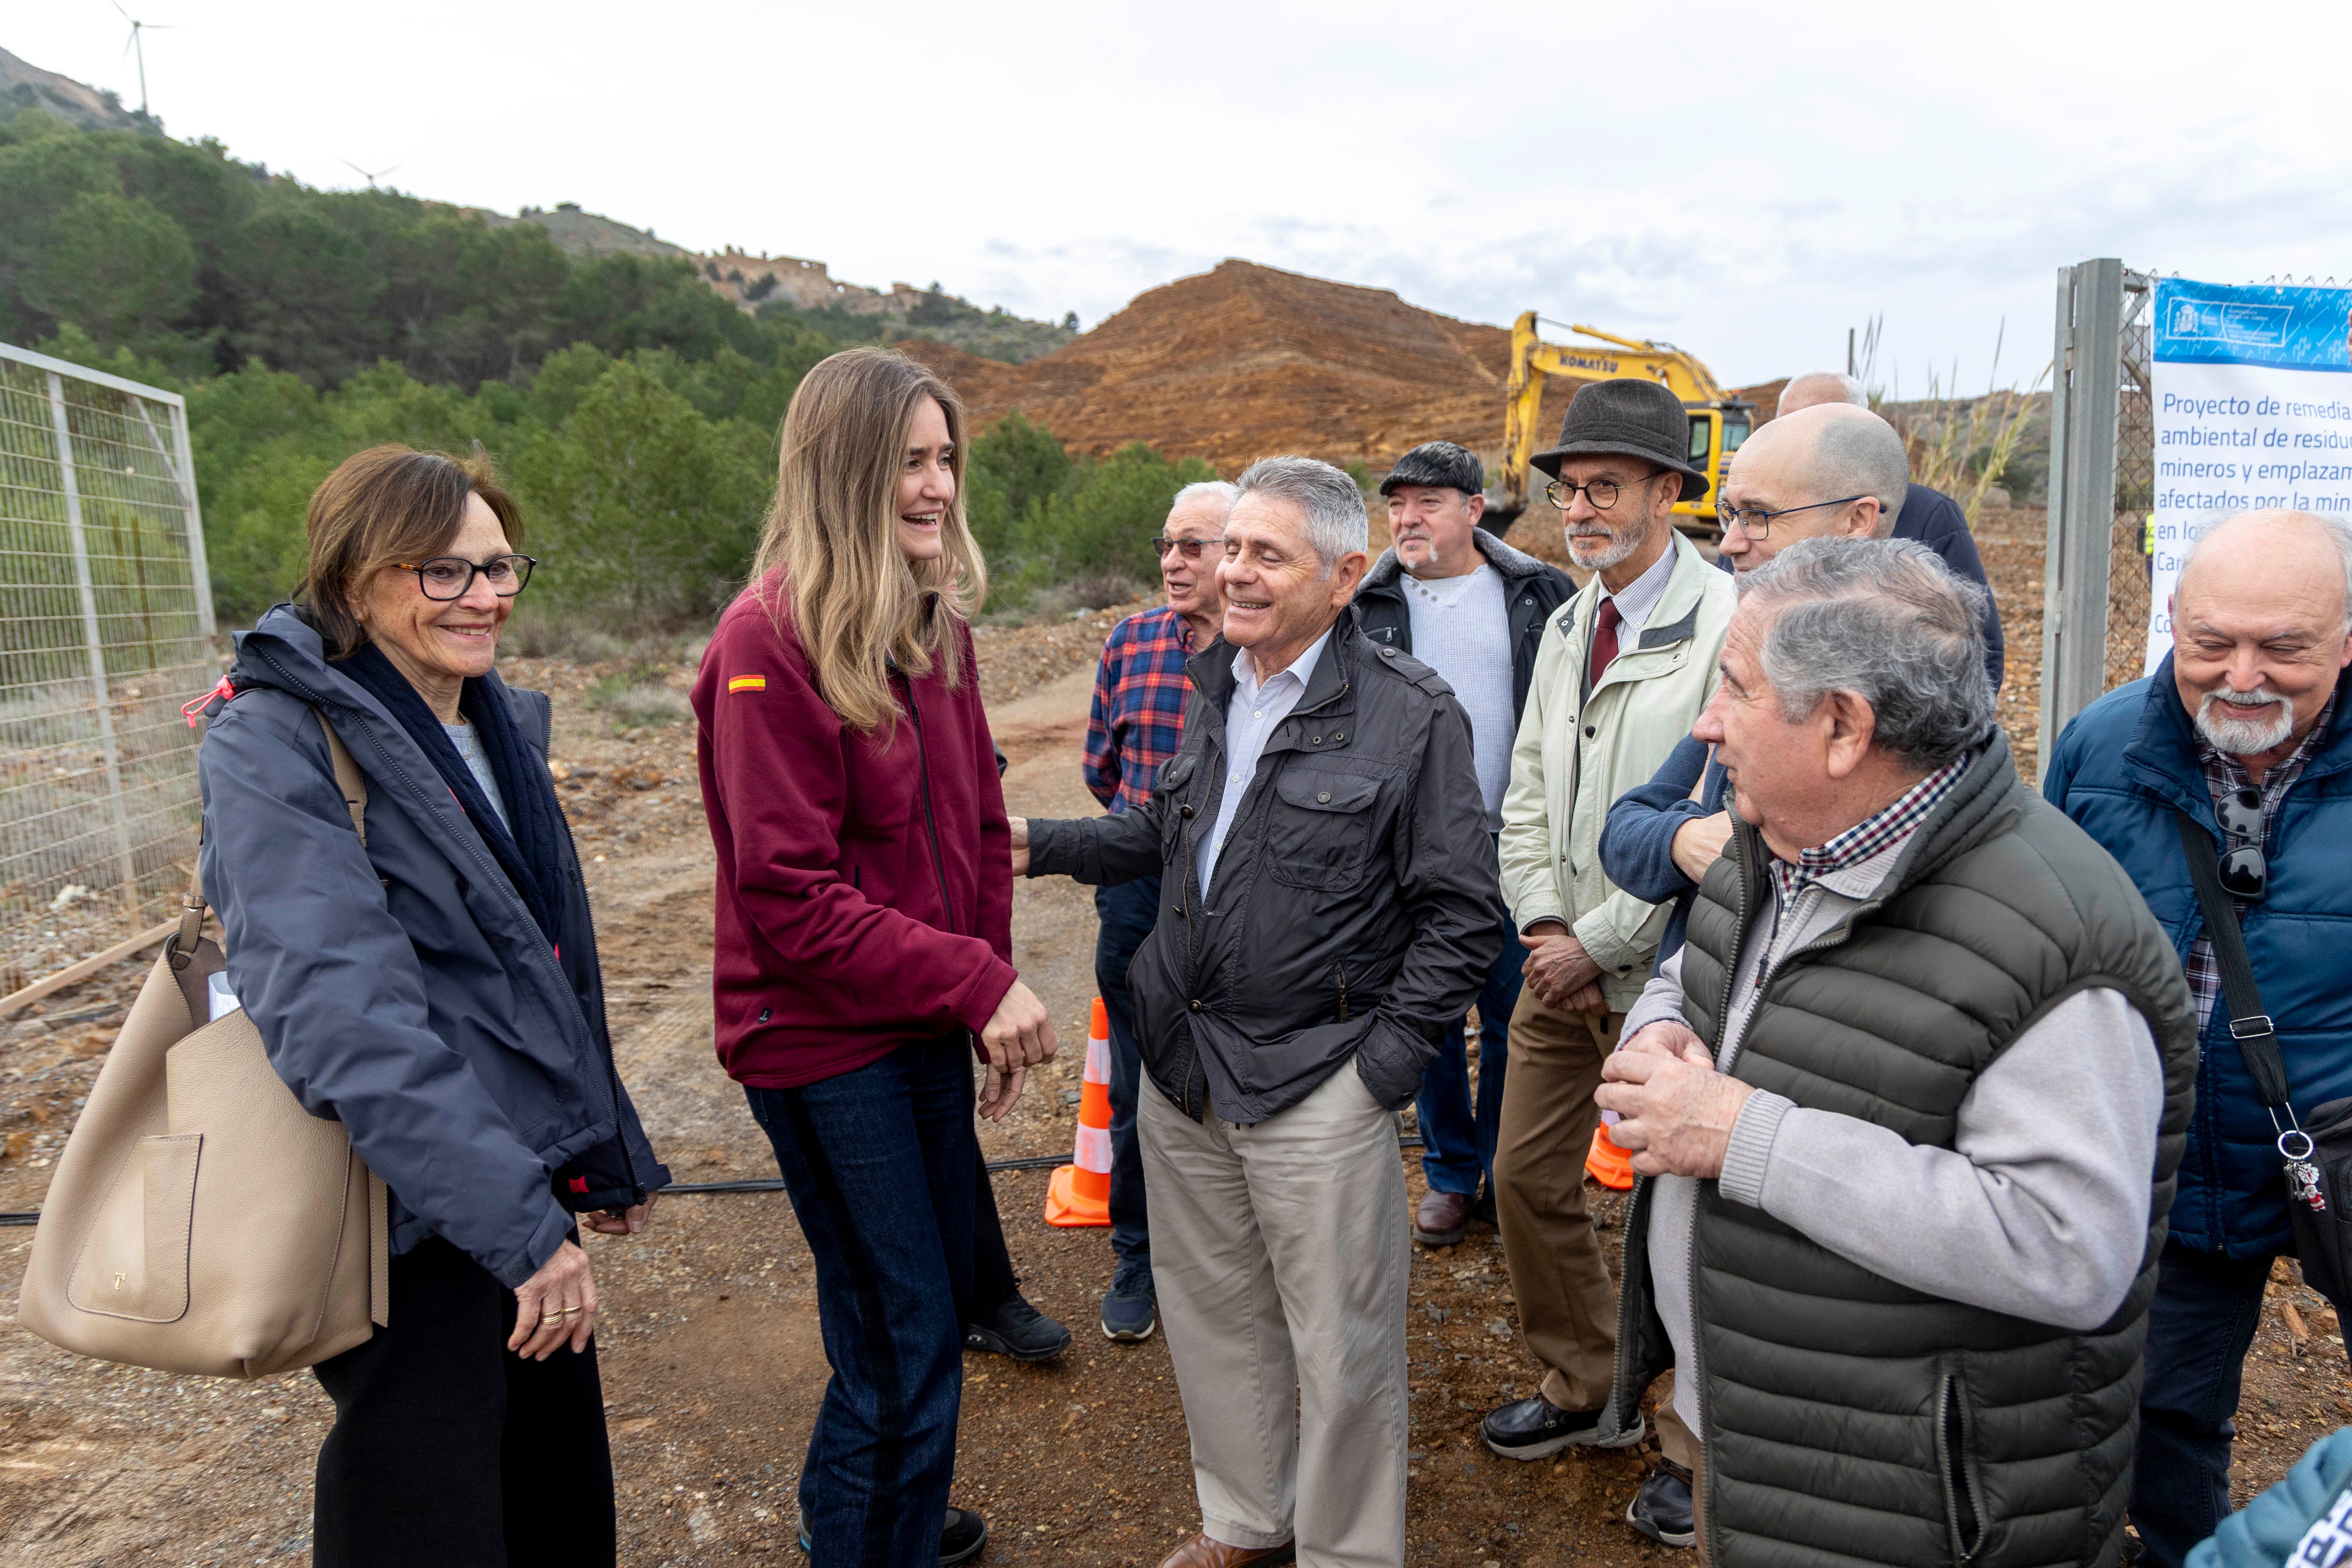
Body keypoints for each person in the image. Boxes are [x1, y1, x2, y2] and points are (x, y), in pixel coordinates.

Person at [1595, 538, 2197, 1561]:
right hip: (1763, 1439)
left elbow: (2066, 1248)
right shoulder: (1778, 835)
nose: (1705, 725)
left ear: (1839, 728)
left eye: (1732, 690)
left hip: (1915, 1505)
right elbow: (1706, 974)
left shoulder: (2051, 946)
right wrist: (1662, 1023)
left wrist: (1742, 1135)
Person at [1015, 455, 1503, 1568]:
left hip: (1314, 1084)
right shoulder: (1218, 683)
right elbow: (1162, 829)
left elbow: (1464, 918)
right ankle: (1247, 1520)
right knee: (1217, 1317)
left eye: (1262, 555)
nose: (1231, 573)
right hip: (1185, 1072)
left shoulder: (1412, 716)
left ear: (1343, 575)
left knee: (1343, 1352)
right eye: (1229, 547)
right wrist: (1038, 845)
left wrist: (1375, 1073)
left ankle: (1342, 1552)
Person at [196, 445, 670, 1567]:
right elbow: (344, 1020)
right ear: (358, 575)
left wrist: (600, 1150)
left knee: (550, 1502)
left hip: (513, 1183)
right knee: (428, 1506)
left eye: (500, 568)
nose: (486, 599)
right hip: (403, 1210)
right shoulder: (274, 739)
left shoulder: (484, 718)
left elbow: (543, 964)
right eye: (444, 573)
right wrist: (517, 1227)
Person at [693, 348, 1057, 1567]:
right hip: (819, 1045)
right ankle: (872, 1528)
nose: (939, 485)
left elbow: (976, 838)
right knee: (901, 1337)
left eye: (948, 457)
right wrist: (975, 983)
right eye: (910, 459)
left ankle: (875, 1514)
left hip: (909, 1024)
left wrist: (983, 984)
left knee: (913, 1321)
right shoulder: (766, 643)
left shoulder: (927, 627)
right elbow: (788, 898)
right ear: (842, 468)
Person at [2043, 509, 2352, 1568]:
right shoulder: (2098, 748)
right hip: (2170, 1161)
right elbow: (2050, 933)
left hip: (2343, 1156)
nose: (2242, 676)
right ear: (2172, 621)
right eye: (2211, 642)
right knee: (2159, 1417)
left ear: (2347, 639)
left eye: (2284, 648)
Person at [1479, 381, 1736, 1499]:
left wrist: (1598, 938)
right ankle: (1589, 1381)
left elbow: (1718, 820)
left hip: (1672, 978)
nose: (1580, 509)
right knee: (1524, 1177)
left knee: (1683, 1213)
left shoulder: (1729, 627)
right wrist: (1542, 924)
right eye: (1572, 490)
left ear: (1668, 494)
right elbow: (1529, 781)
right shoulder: (1574, 620)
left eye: (1606, 487)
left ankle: (1689, 1438)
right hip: (1560, 964)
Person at [1601, 401, 1928, 967]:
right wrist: (1685, 842)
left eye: (1757, 516)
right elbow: (1624, 833)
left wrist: (1722, 840)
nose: (1728, 542)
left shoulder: (1921, 709)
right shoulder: (1755, 665)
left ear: (1857, 520)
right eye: (1730, 514)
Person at [1353, 440, 1572, 1246]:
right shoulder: (1367, 602)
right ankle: (1449, 1172)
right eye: (1397, 505)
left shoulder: (1537, 593)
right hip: (1409, 854)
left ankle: (1503, 1166)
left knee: (1521, 1015)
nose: (1407, 520)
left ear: (1474, 510)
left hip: (1516, 843)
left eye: (1428, 503)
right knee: (1430, 1019)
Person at [1080, 478, 1238, 1342]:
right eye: (1167, 547)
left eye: (1195, 546)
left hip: (1240, 898)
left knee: (1232, 1080)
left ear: (1241, 552)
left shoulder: (1273, 650)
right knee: (1140, 1087)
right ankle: (1139, 1254)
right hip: (1140, 890)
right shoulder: (1132, 641)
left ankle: (1225, 1258)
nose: (1176, 563)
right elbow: (1102, 771)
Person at [1773, 370, 2005, 687]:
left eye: (1821, 427)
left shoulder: (1928, 515)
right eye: (1787, 426)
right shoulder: (1755, 515)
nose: (1801, 440)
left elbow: (1978, 650)